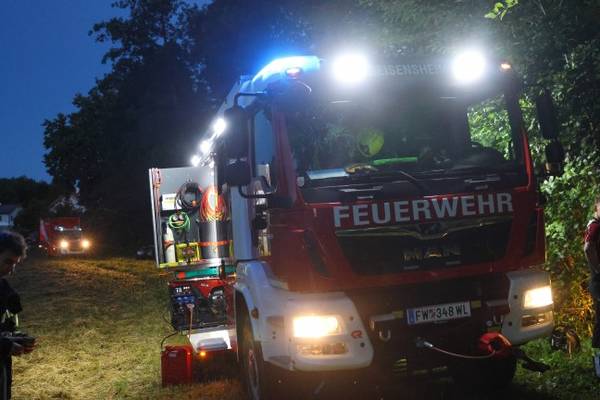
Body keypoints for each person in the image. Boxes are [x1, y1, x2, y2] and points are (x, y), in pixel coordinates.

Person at [0, 231, 32, 399]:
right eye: (7, 262)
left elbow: (6, 326)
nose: (11, 269)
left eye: (15, 264)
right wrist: (5, 345)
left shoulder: (5, 289)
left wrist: (16, 338)